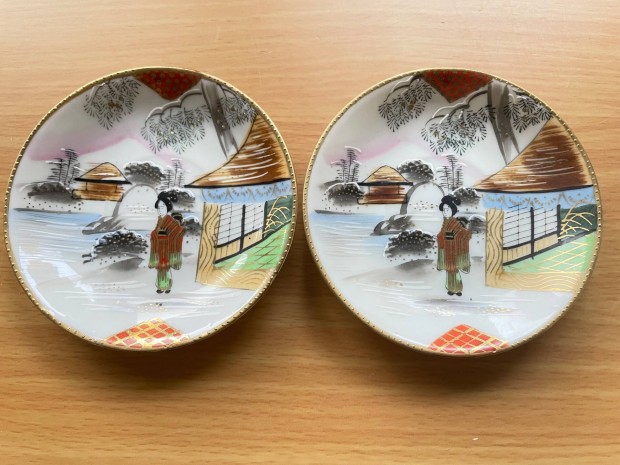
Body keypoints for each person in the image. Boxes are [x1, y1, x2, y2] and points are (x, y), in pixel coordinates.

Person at [148, 193, 185, 293]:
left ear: (167, 207)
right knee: (160, 267)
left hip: (167, 247)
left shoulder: (170, 220)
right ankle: (161, 286)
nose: (160, 210)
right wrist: (153, 234)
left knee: (165, 267)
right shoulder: (160, 220)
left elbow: (178, 230)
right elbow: (156, 232)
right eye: (158, 208)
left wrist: (165, 234)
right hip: (160, 247)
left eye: (162, 207)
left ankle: (167, 286)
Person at [436, 195, 471, 296]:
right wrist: (440, 236)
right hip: (447, 248)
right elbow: (442, 234)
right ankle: (451, 288)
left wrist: (464, 235)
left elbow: (462, 233)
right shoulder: (445, 222)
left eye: (447, 210)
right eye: (443, 210)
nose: (445, 212)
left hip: (454, 248)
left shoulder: (454, 223)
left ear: (453, 210)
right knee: (449, 269)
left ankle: (458, 288)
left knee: (454, 269)